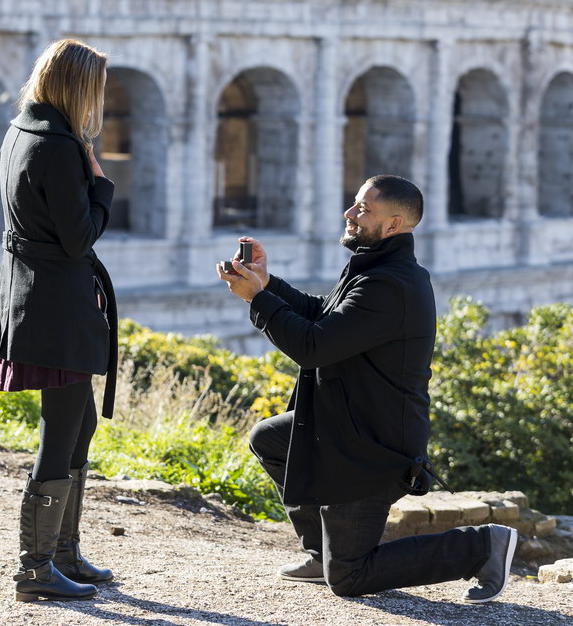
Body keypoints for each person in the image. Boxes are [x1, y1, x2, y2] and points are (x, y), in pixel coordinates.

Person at [217, 175, 517, 603]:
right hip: (346, 426)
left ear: (393, 225)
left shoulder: (390, 284)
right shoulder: (376, 267)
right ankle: (322, 552)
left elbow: (313, 346)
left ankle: (482, 545)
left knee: (351, 578)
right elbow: (325, 314)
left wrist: (258, 300)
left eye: (363, 209)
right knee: (271, 439)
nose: (350, 214)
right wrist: (267, 283)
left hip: (372, 448)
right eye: (354, 204)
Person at [0, 39, 118, 603]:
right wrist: (101, 185)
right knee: (61, 430)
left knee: (79, 424)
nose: (98, 102)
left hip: (34, 296)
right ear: (77, 88)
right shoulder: (60, 146)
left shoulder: (21, 130)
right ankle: (34, 568)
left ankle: (63, 552)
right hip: (55, 305)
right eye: (95, 90)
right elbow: (79, 235)